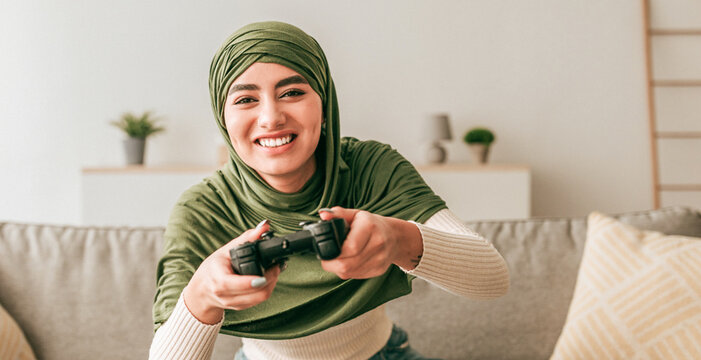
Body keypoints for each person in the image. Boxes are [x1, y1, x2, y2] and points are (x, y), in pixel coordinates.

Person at [149, 21, 510, 360]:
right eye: (245, 99)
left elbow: (493, 279)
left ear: (324, 105)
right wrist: (202, 296)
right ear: (223, 119)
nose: (271, 118)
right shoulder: (202, 209)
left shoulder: (371, 168)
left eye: (292, 92)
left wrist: (398, 239)